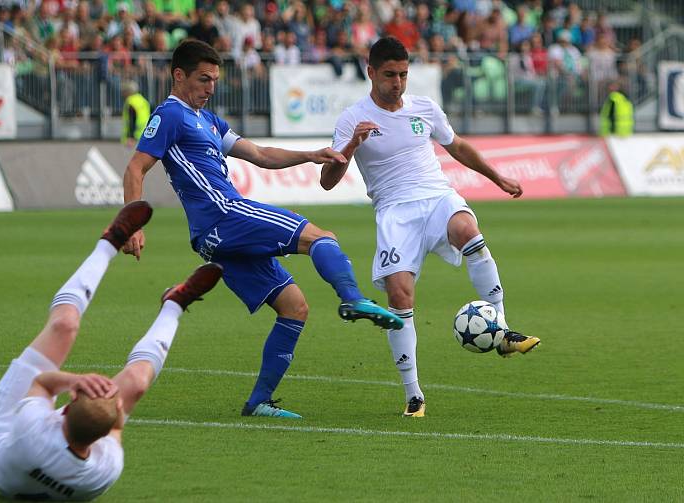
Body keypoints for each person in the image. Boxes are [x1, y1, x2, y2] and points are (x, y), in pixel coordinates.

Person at [122, 39, 403, 419]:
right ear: (178, 75)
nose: (210, 88)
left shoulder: (208, 120)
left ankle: (258, 402)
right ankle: (352, 297)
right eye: (203, 79)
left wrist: (309, 155)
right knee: (322, 238)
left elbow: (258, 155)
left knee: (294, 307)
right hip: (223, 214)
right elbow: (135, 168)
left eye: (215, 80)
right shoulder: (170, 115)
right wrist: (131, 224)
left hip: (216, 236)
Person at [321, 37, 541, 419]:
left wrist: (497, 177)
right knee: (401, 296)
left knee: (467, 230)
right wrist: (353, 145)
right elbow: (327, 179)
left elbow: (456, 146)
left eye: (404, 74)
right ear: (371, 72)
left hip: (437, 196)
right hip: (394, 211)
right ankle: (414, 397)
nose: (398, 82)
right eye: (390, 74)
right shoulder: (352, 118)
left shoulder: (425, 108)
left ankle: (503, 330)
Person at [0, 201, 224, 500]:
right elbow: (114, 419)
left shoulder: (31, 429)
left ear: (66, 406)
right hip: (35, 455)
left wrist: (73, 380)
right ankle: (175, 305)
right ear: (109, 430)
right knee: (137, 384)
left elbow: (41, 383)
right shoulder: (105, 469)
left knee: (64, 327)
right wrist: (108, 403)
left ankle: (109, 241)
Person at [121, 80, 151, 148]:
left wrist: (130, 137)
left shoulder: (131, 102)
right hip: (146, 134)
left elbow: (132, 120)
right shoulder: (143, 100)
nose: (123, 93)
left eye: (124, 91)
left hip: (135, 137)